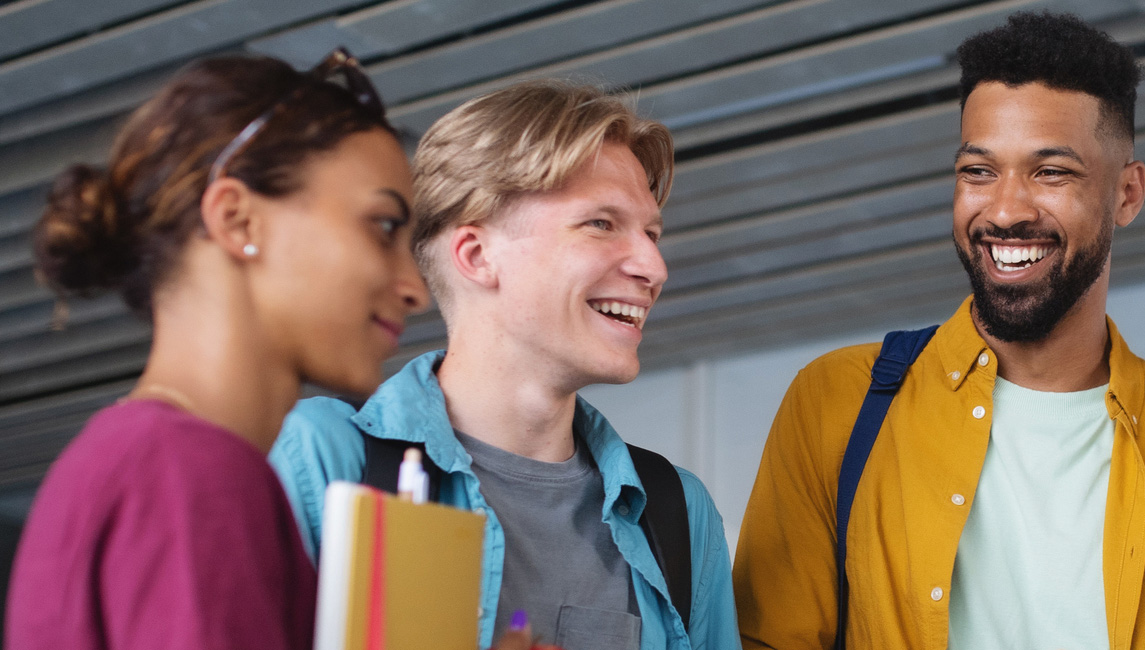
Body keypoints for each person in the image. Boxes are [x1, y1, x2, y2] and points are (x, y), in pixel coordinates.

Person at [732, 12, 1145, 650]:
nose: (1005, 210)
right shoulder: (835, 405)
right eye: (978, 172)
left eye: (1051, 172)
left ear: (1127, 194)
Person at [268, 80, 741, 650]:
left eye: (651, 232)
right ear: (476, 255)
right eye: (601, 223)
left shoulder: (676, 514)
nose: (654, 265)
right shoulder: (323, 459)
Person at [4, 51, 428, 649]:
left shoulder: (134, 457)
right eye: (383, 226)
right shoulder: (189, 473)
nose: (414, 288)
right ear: (237, 220)